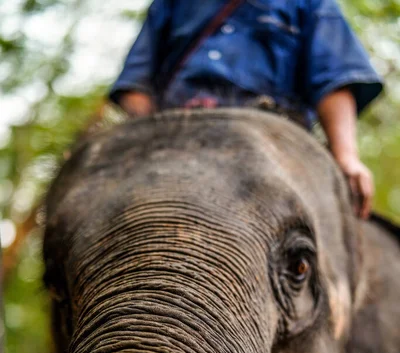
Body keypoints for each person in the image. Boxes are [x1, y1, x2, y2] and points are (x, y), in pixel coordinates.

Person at [109, 0, 383, 219]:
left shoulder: (312, 3)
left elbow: (335, 81)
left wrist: (346, 156)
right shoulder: (172, 3)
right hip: (171, 135)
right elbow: (135, 85)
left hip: (272, 142)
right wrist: (148, 137)